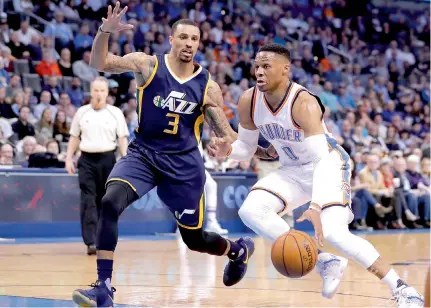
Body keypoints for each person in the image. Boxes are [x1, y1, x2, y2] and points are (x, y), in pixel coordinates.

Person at [72, 4, 275, 307]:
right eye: (183, 37)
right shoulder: (147, 65)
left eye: (194, 38)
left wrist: (264, 151)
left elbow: (227, 133)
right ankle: (103, 287)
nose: (189, 43)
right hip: (143, 155)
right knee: (110, 201)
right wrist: (105, 32)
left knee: (194, 240)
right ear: (171, 39)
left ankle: (237, 249)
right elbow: (99, 61)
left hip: (183, 165)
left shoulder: (207, 86)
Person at [208, 43, 424, 307]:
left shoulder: (304, 103)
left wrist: (315, 206)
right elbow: (247, 148)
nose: (259, 72)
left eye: (266, 66)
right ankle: (325, 260)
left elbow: (320, 160)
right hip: (292, 169)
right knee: (251, 210)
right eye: (256, 67)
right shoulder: (248, 100)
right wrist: (228, 149)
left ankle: (403, 289)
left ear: (285, 70)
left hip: (329, 165)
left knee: (335, 233)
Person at [66, 77, 129, 255]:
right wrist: (68, 158)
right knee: (88, 199)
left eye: (102, 90)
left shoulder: (115, 113)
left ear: (107, 93)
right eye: (96, 90)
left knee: (107, 200)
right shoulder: (82, 112)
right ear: (91, 92)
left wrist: (125, 162)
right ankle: (90, 241)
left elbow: (122, 139)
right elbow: (74, 137)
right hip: (86, 160)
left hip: (108, 159)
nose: (99, 94)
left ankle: (104, 239)